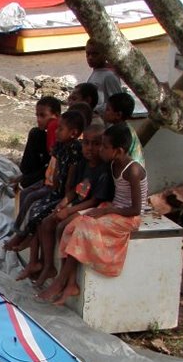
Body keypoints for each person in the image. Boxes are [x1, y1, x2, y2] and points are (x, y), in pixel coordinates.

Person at [38, 124, 148, 305]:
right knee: (69, 227)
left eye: (104, 147)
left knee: (82, 229)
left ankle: (60, 282)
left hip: (127, 217)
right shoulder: (112, 163)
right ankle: (71, 283)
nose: (100, 150)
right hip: (112, 209)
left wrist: (107, 210)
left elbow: (136, 210)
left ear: (119, 151)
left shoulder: (133, 170)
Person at [30, 124, 113, 287]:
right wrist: (64, 203)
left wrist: (69, 210)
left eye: (95, 144)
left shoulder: (104, 170)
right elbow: (74, 191)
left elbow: (95, 201)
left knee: (62, 226)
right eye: (86, 143)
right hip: (77, 204)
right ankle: (48, 266)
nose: (89, 148)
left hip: (91, 207)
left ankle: (66, 276)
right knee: (45, 222)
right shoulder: (83, 163)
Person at [8, 110, 84, 257]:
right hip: (55, 189)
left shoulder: (75, 150)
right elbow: (56, 172)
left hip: (64, 195)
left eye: (60, 129)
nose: (56, 132)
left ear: (73, 133)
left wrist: (64, 200)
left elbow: (70, 180)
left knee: (40, 212)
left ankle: (27, 239)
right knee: (32, 202)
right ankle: (20, 234)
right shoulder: (60, 147)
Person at [16, 96, 61, 189]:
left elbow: (53, 158)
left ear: (56, 115)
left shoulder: (54, 126)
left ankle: (25, 176)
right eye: (37, 115)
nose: (39, 119)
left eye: (43, 115)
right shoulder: (48, 130)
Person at [103, 91, 144, 166]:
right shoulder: (121, 128)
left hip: (130, 171)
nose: (104, 112)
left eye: (108, 109)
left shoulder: (121, 132)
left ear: (118, 115)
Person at [84, 40, 123, 115]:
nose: (90, 57)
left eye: (95, 54)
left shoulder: (109, 76)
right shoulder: (96, 72)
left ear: (105, 55)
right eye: (88, 54)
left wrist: (93, 110)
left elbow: (117, 102)